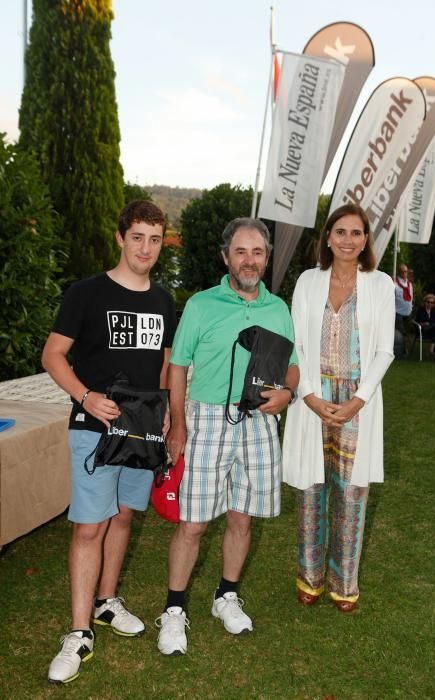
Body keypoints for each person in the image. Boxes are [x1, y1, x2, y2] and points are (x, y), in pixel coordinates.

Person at [42, 200, 177, 684]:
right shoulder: (86, 293)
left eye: (155, 240)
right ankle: (79, 632)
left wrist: (164, 411)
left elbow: (163, 364)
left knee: (123, 518)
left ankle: (106, 602)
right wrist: (85, 396)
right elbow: (53, 354)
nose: (146, 248)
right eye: (138, 237)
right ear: (121, 238)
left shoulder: (163, 301)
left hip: (141, 430)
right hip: (93, 429)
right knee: (88, 527)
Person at [156, 217, 299, 656]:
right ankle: (174, 610)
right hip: (207, 419)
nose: (249, 260)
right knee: (194, 522)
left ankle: (225, 596)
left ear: (267, 257)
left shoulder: (278, 308)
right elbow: (177, 366)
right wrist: (177, 423)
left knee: (242, 516)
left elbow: (291, 362)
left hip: (258, 421)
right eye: (241, 251)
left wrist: (288, 392)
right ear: (226, 257)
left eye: (257, 252)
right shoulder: (200, 304)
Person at [282, 204, 395, 613]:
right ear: (327, 237)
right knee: (311, 489)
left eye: (357, 233)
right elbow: (294, 342)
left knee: (352, 491)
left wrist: (358, 400)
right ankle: (309, 576)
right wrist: (309, 395)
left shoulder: (380, 285)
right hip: (313, 395)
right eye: (341, 232)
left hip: (357, 399)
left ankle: (344, 582)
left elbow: (385, 350)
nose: (349, 240)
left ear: (366, 240)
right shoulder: (308, 282)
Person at [413, 293, 435, 361]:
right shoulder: (420, 310)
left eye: (432, 302)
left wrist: (431, 324)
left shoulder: (434, 312)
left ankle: (433, 348)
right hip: (423, 331)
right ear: (425, 302)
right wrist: (423, 323)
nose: (430, 304)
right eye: (428, 302)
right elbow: (416, 321)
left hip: (432, 332)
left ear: (434, 304)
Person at [394, 263, 413, 357]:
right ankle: (400, 351)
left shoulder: (409, 284)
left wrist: (411, 308)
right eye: (403, 271)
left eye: (406, 271)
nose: (405, 273)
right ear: (399, 272)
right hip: (398, 313)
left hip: (408, 313)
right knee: (401, 332)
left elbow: (411, 297)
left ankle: (407, 351)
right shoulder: (395, 284)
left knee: (408, 332)